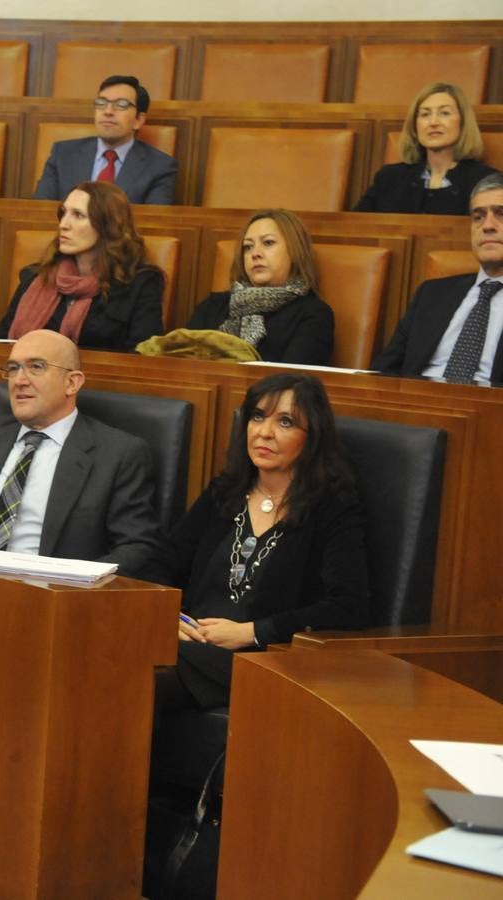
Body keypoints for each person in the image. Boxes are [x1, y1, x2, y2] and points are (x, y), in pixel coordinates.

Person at [146, 372, 368, 775]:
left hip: (264, 660)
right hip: (187, 643)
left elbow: (347, 606)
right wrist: (170, 617)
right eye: (257, 416)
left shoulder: (332, 507)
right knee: (107, 657)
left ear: (312, 436)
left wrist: (253, 631)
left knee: (132, 677)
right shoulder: (225, 492)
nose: (264, 433)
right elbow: (162, 564)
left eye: (285, 422)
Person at [0, 329, 160, 576]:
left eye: (36, 367)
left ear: (72, 382)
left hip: (47, 592)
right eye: (13, 368)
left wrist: (75, 587)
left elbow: (136, 547)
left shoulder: (118, 454)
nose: (19, 380)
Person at [0, 181, 163, 350]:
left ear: (107, 225)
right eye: (63, 213)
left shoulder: (141, 283)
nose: (63, 225)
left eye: (78, 215)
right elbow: (1, 344)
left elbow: (143, 356)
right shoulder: (36, 276)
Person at [373, 173, 503, 385]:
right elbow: (385, 370)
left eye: (501, 213)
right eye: (478, 217)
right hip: (415, 407)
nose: (487, 226)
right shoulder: (432, 293)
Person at [185, 209, 334, 365]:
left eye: (268, 243)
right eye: (248, 247)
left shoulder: (313, 314)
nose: (255, 253)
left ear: (295, 251)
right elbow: (181, 363)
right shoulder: (212, 306)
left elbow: (290, 383)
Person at [354, 82, 497, 216]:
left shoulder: (487, 182)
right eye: (425, 114)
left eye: (445, 113)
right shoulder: (388, 178)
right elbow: (357, 228)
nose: (433, 122)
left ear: (463, 123)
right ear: (415, 127)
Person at [32, 75, 177, 205]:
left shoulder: (160, 167)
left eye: (121, 105)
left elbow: (153, 225)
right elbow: (41, 212)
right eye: (101, 103)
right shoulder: (63, 154)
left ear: (138, 120)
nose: (108, 111)